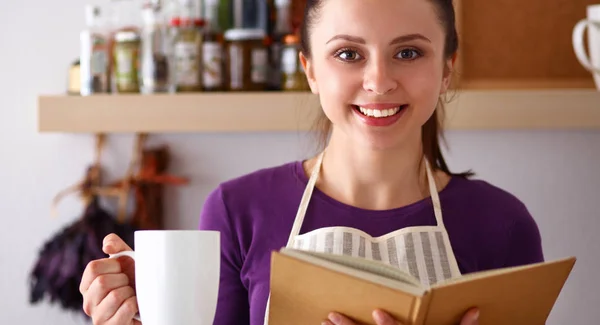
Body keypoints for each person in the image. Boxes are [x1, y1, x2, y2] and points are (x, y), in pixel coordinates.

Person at [79, 0, 545, 324]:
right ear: (310, 71)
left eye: (408, 52)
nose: (379, 81)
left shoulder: (502, 224)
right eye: (348, 54)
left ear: (447, 68)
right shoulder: (237, 211)